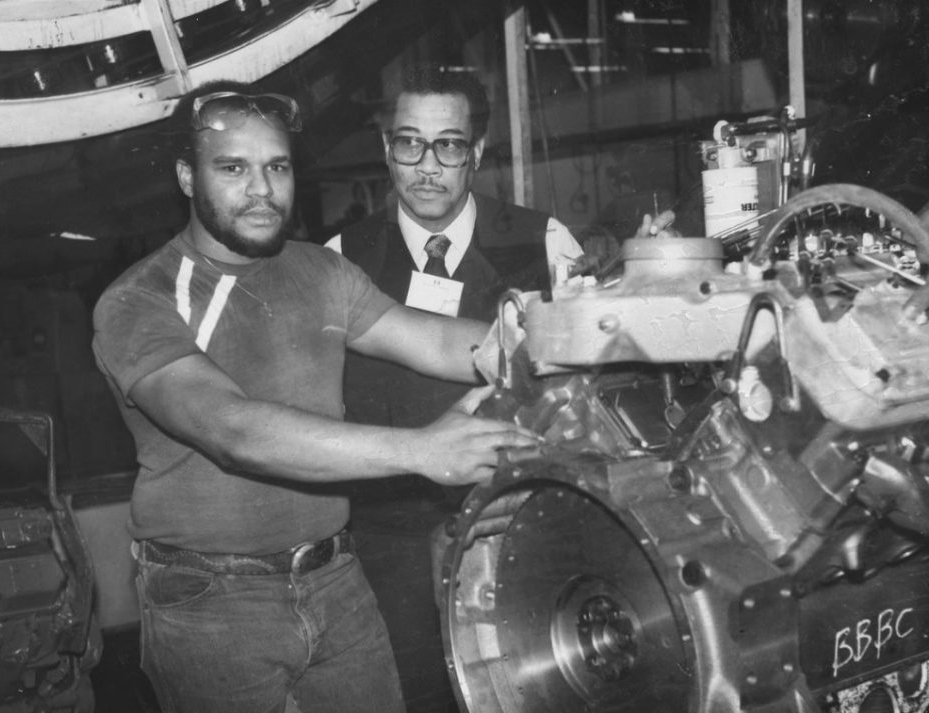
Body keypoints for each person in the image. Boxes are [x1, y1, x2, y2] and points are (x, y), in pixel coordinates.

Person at [91, 79, 540, 713]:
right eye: (232, 168)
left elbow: (436, 340)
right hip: (213, 600)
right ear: (187, 176)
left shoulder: (319, 270)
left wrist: (552, 342)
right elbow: (232, 429)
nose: (261, 190)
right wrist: (422, 450)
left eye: (276, 167)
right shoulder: (140, 299)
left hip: (336, 580)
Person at [326, 66, 585, 430]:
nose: (427, 168)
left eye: (448, 145)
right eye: (410, 143)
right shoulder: (339, 257)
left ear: (476, 152)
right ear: (388, 148)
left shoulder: (547, 242)